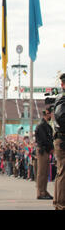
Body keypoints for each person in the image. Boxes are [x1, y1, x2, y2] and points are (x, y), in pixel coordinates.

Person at [35, 106, 54, 200]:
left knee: (45, 172)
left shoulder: (46, 125)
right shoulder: (41, 125)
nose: (51, 115)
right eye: (50, 113)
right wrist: (51, 148)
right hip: (43, 150)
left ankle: (44, 190)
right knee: (41, 172)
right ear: (47, 113)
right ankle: (40, 192)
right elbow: (44, 140)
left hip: (46, 150)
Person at [53, 73, 65, 210]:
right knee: (63, 172)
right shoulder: (63, 99)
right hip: (63, 137)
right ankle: (61, 204)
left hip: (60, 138)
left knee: (61, 171)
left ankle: (58, 202)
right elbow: (62, 118)